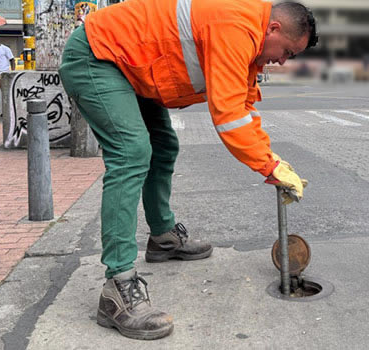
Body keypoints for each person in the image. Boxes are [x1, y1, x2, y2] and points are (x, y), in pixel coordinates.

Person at [59, 0, 316, 340]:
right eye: (287, 51)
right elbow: (228, 117)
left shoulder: (250, 38)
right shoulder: (236, 27)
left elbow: (245, 107)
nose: (283, 61)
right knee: (132, 152)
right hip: (97, 55)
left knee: (164, 146)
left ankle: (163, 238)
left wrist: (273, 161)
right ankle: (118, 287)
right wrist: (267, 166)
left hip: (129, 65)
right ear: (274, 29)